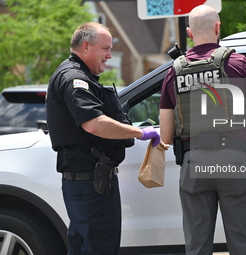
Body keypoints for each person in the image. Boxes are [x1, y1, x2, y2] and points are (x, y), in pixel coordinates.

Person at [159, 5, 246, 255]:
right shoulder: (238, 62)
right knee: (243, 243)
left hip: (194, 163)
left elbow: (166, 136)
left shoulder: (174, 71)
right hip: (234, 160)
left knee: (197, 246)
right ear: (218, 27)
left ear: (189, 33)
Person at [46, 22, 160, 255]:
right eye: (105, 48)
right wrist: (140, 132)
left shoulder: (76, 75)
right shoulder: (74, 79)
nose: (109, 55)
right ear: (86, 46)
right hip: (91, 185)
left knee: (83, 247)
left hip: (88, 182)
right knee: (100, 248)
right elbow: (94, 124)